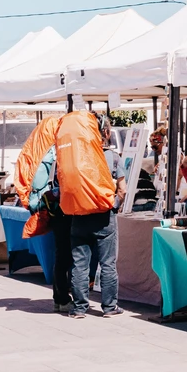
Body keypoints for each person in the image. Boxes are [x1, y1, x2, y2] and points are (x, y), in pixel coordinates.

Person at [69, 114, 126, 319]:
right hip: (104, 215)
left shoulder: (74, 157)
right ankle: (110, 307)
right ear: (106, 133)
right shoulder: (112, 157)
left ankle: (79, 308)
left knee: (79, 264)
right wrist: (115, 205)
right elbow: (122, 188)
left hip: (79, 215)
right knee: (108, 262)